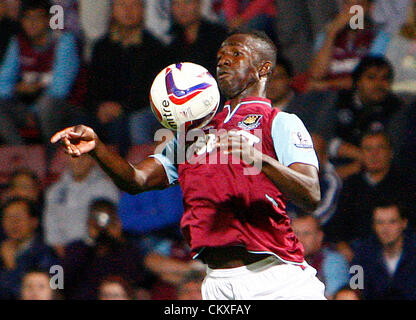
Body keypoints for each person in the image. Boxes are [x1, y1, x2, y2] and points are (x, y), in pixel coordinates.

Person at [51, 29, 326, 300]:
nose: (223, 60)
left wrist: (259, 160)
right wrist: (97, 148)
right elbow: (137, 180)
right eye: (219, 56)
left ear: (264, 68)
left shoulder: (280, 123)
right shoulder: (192, 136)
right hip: (217, 283)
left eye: (236, 53)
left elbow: (311, 194)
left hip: (276, 278)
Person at [85, 0, 166, 152]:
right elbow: (91, 87)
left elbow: (153, 92)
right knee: (80, 124)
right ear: (112, 10)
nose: (128, 11)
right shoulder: (101, 47)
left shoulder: (154, 48)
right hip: (101, 112)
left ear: (143, 10)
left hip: (135, 111)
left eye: (134, 5)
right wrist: (100, 107)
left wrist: (123, 108)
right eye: (122, 5)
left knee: (124, 126)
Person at [0, 0, 80, 146]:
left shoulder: (63, 41)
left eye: (37, 18)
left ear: (48, 20)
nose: (32, 23)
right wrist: (16, 88)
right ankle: (22, 155)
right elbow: (3, 84)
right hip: (27, 107)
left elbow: (60, 90)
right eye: (27, 18)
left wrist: (35, 110)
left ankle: (54, 159)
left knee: (47, 106)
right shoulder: (18, 42)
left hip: (66, 107)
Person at [327, 130, 416, 260]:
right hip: (357, 251)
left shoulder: (407, 183)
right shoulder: (352, 184)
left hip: (400, 250)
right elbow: (339, 225)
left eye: (380, 148)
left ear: (390, 153)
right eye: (368, 149)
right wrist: (342, 246)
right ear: (361, 154)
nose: (374, 154)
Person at [62, 198, 147, 300]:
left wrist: (118, 240)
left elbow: (135, 280)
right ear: (89, 221)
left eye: (107, 219)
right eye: (97, 219)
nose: (102, 225)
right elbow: (61, 280)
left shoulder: (129, 250)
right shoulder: (76, 249)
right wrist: (91, 241)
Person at [43, 154, 120, 257]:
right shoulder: (55, 190)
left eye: (84, 157)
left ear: (93, 160)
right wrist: (58, 246)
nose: (79, 161)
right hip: (61, 251)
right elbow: (50, 222)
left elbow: (111, 223)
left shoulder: (106, 188)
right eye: (74, 156)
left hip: (96, 250)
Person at [307, 0, 390, 92]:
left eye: (358, 6)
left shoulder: (379, 38)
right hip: (325, 98)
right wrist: (331, 34)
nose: (352, 11)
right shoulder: (326, 35)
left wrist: (327, 84)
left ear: (370, 8)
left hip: (357, 97)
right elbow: (316, 75)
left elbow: (367, 79)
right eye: (347, 4)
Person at [351, 202, 416, 300]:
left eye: (392, 222)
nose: (386, 228)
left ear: (404, 223)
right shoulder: (361, 254)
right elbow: (355, 289)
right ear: (374, 226)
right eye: (380, 222)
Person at [0, 198, 57, 300]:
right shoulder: (3, 248)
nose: (14, 223)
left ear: (34, 222)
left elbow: (53, 291)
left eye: (19, 217)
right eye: (8, 217)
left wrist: (11, 267)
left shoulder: (47, 254)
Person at [292, 215, 350, 299]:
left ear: (319, 237)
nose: (300, 239)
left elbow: (334, 297)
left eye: (306, 234)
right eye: (296, 233)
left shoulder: (334, 261)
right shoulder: (281, 262)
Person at [167, 0, 228, 77]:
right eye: (176, 3)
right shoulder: (170, 40)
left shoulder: (218, 36)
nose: (182, 8)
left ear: (199, 4)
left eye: (187, 2)